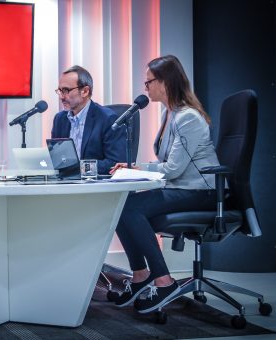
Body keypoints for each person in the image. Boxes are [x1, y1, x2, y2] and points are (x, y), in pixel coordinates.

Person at [110, 55, 220, 313]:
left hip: (201, 191)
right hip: (180, 187)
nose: (145, 88)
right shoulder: (169, 114)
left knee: (130, 209)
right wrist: (134, 168)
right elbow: (170, 164)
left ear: (166, 82)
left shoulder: (188, 118)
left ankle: (163, 281)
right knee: (121, 204)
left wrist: (138, 169)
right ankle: (140, 276)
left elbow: (173, 169)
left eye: (149, 82)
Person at [51, 65, 126, 174]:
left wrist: (80, 168)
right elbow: (57, 160)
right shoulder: (60, 119)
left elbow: (115, 163)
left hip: (96, 185)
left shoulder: (108, 119)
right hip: (65, 184)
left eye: (66, 90)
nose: (62, 97)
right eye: (60, 91)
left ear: (85, 91)